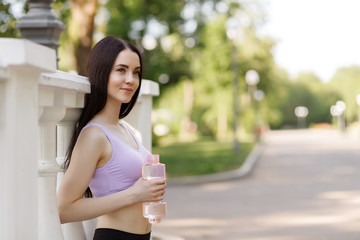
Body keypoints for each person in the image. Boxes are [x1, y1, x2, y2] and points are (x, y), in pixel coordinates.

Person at [57, 36, 167, 240]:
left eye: (136, 72)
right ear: (102, 72)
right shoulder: (94, 135)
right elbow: (64, 209)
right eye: (121, 70)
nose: (131, 80)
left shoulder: (125, 129)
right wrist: (136, 194)